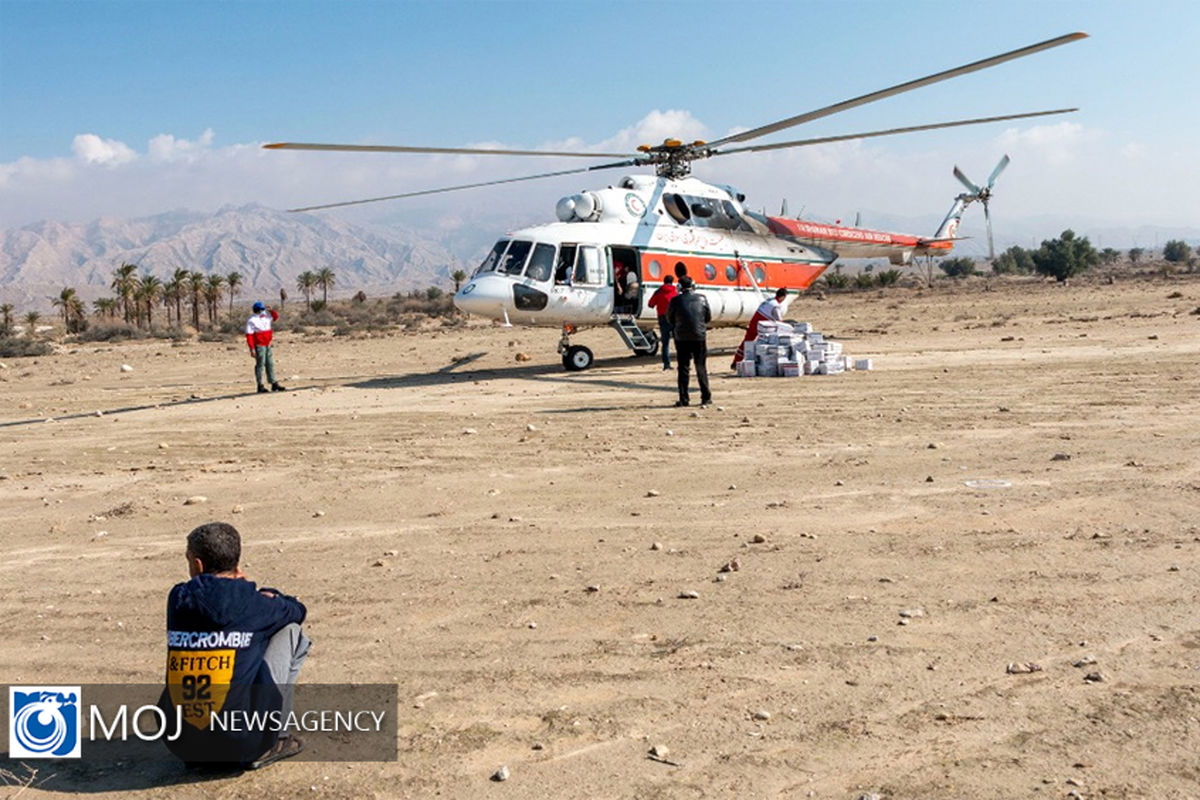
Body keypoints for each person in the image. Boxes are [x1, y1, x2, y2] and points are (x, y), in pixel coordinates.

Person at [161, 522, 310, 769]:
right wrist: (269, 595)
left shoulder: (177, 599)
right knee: (289, 631)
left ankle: (204, 744)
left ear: (197, 565)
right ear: (236, 561)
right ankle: (276, 739)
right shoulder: (252, 602)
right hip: (241, 744)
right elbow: (297, 610)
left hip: (181, 744)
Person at [667, 276, 712, 407]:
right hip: (699, 337)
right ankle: (706, 397)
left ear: (679, 287)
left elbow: (670, 318)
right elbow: (707, 317)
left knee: (683, 368)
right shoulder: (702, 298)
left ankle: (684, 399)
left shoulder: (675, 300)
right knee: (701, 367)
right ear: (693, 285)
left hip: (681, 338)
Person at [732, 287, 789, 369]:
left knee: (746, 343)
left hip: (753, 323)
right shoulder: (776, 306)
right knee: (766, 345)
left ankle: (736, 362)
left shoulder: (768, 301)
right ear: (783, 297)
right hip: (762, 327)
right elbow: (779, 321)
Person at [245, 301, 286, 393]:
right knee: (260, 365)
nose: (264, 311)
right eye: (262, 309)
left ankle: (273, 383)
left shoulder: (266, 318)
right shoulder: (252, 321)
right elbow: (249, 336)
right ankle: (260, 385)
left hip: (267, 344)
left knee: (270, 364)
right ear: (258, 310)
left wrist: (271, 311)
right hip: (259, 346)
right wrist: (251, 348)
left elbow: (275, 317)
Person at [647, 275, 678, 370]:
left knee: (665, 343)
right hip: (674, 318)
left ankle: (666, 365)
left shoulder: (658, 291)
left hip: (662, 318)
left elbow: (650, 304)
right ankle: (681, 364)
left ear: (664, 281)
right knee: (678, 342)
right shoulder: (676, 292)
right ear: (672, 281)